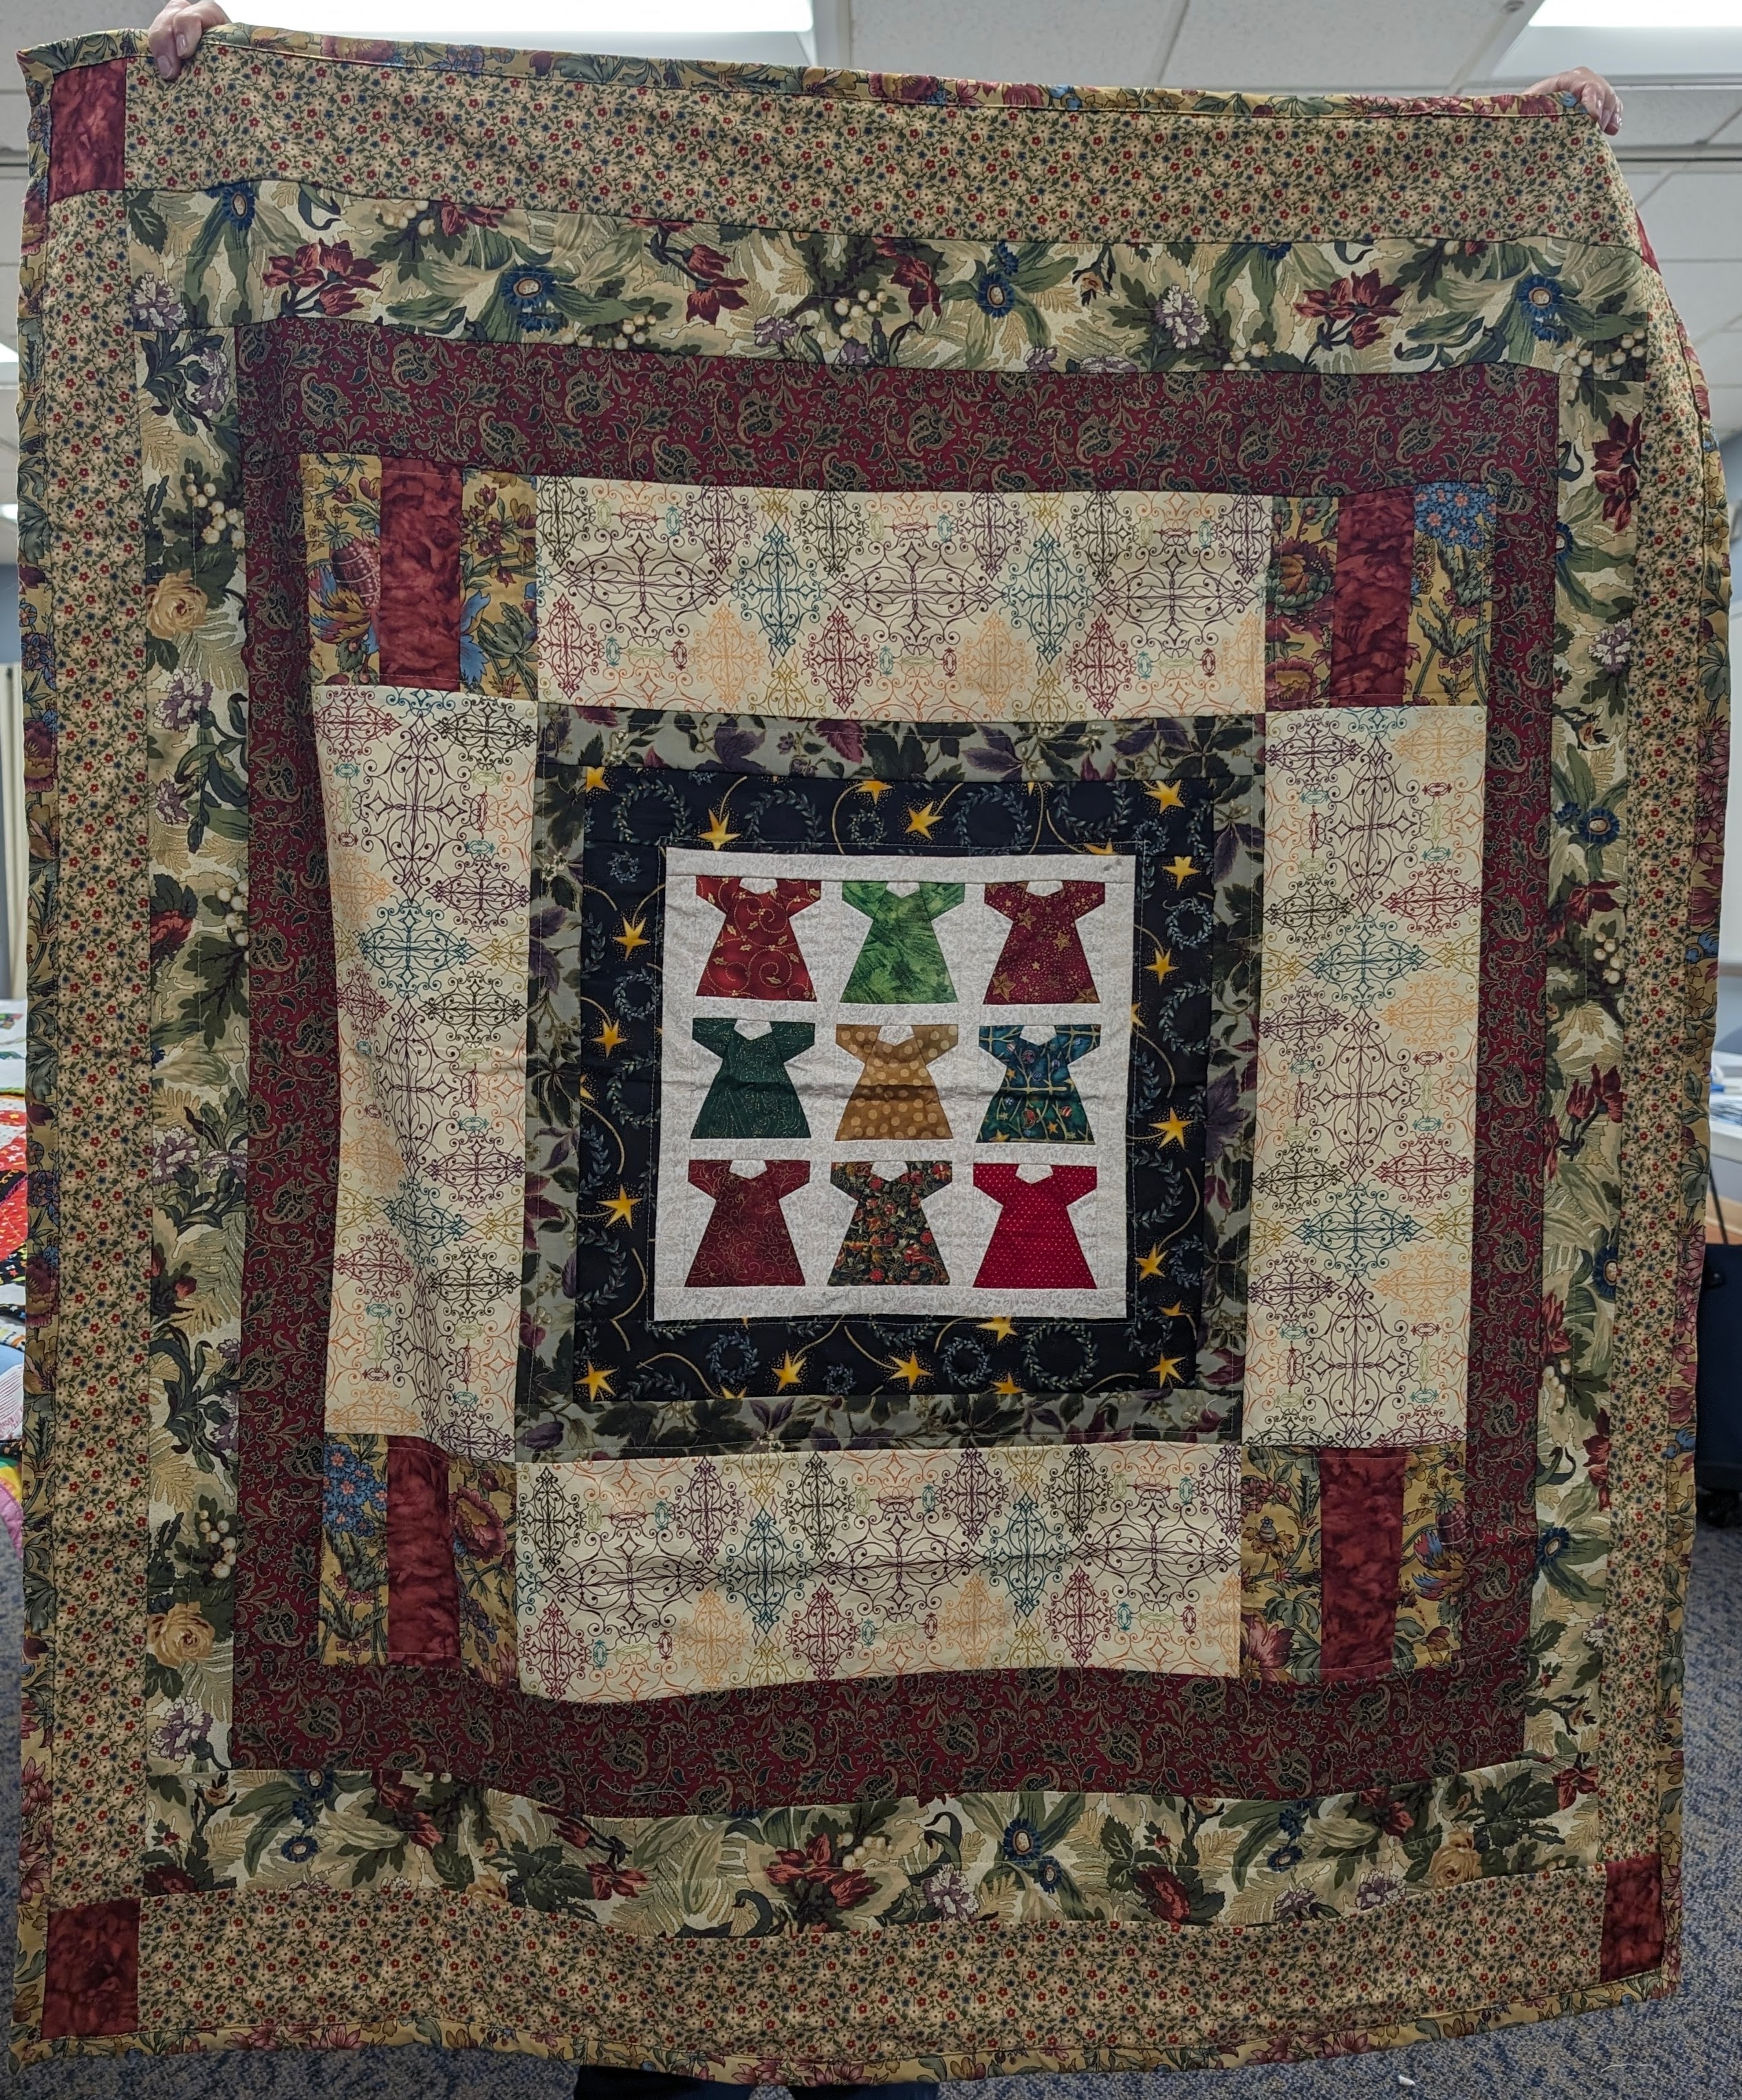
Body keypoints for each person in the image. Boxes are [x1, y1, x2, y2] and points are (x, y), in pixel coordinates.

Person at [138, 4, 1621, 2096]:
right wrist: (215, 121)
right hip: (694, 1539)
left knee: (795, 1980)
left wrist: (1518, 185)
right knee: (685, 1966)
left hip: (722, 1527)